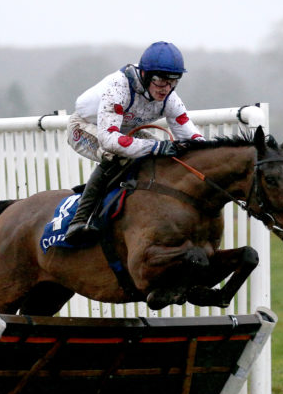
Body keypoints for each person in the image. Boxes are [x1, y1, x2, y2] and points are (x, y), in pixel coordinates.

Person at [64, 41, 204, 246]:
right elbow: (110, 140)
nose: (166, 88)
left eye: (174, 81)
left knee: (167, 157)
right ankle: (80, 220)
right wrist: (156, 147)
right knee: (117, 154)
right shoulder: (118, 87)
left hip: (122, 131)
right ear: (145, 75)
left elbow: (191, 137)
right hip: (85, 127)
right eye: (160, 80)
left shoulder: (170, 98)